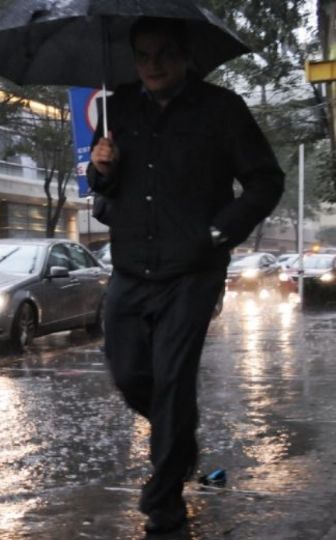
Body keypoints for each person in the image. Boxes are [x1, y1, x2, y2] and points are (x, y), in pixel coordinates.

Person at [87, 17, 284, 535]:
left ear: (185, 57)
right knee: (130, 374)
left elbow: (266, 180)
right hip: (130, 266)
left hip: (192, 270)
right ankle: (180, 436)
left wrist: (219, 233)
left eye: (164, 54)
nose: (153, 65)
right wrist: (100, 167)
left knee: (173, 380)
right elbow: (105, 182)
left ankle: (164, 507)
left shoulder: (222, 110)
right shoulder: (116, 107)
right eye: (143, 56)